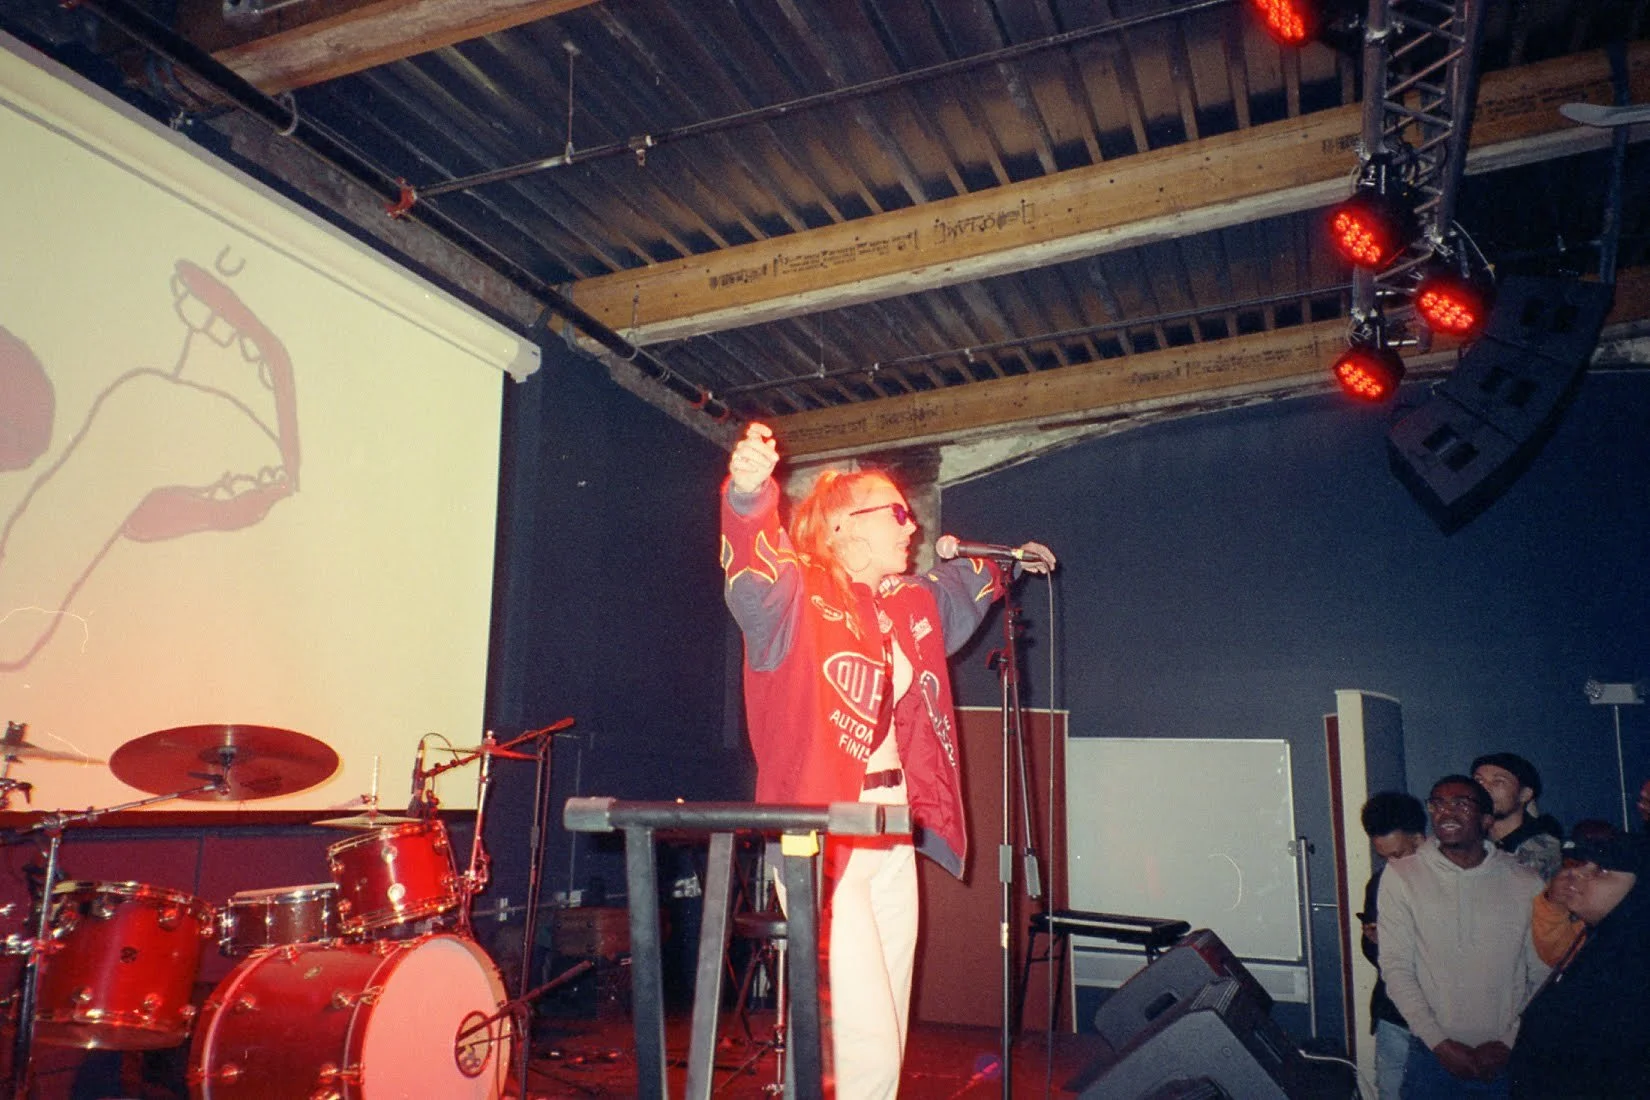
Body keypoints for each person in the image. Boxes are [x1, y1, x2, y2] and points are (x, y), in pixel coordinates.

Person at [721, 422, 1053, 1096]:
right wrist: (750, 492)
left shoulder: (907, 605)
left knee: (888, 1020)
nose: (912, 528)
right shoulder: (796, 591)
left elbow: (959, 588)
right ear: (842, 527)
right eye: (897, 513)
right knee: (859, 1032)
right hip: (824, 839)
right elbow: (750, 565)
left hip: (894, 832)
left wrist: (1011, 563)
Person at [1377, 775, 1548, 1098]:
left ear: (1486, 819)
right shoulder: (1402, 875)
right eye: (1438, 803)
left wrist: (1508, 1043)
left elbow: (1540, 975)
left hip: (1504, 1060)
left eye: (1460, 803)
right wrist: (1439, 1044)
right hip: (1431, 1057)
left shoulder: (1525, 880)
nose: (1446, 812)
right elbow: (1397, 968)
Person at [1508, 833, 1650, 1097]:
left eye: (1602, 871)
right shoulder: (1604, 938)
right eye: (1582, 864)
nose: (1578, 874)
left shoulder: (1635, 962)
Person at [1358, 791, 1428, 1100]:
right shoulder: (1379, 882)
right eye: (1384, 856)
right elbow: (1374, 955)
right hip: (1393, 1016)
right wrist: (1375, 942)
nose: (1392, 864)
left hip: (1440, 1016)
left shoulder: (1452, 881)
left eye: (1398, 855)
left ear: (1420, 839)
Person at [1529, 819, 1614, 967]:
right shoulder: (1562, 888)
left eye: (1600, 868)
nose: (1581, 873)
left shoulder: (1630, 900)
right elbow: (1559, 957)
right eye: (1577, 862)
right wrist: (1554, 904)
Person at [1470, 753, 1563, 880]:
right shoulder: (1472, 839)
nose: (1484, 789)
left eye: (1498, 782)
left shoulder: (1543, 848)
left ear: (1524, 795)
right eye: (1478, 781)